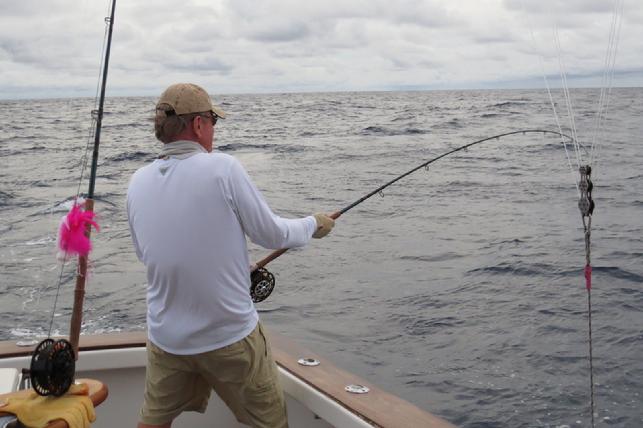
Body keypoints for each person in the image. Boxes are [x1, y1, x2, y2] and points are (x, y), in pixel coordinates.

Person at [127, 83, 335, 428]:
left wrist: (236, 266)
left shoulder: (137, 181)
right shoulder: (222, 168)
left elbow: (148, 253)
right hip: (228, 337)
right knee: (270, 423)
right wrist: (314, 224)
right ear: (198, 125)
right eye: (213, 122)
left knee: (153, 424)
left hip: (168, 341)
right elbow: (272, 234)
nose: (213, 131)